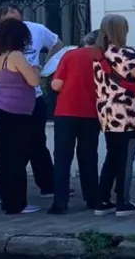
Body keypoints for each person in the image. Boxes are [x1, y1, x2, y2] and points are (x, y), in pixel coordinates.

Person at [0, 3, 63, 203]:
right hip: (13, 102)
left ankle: (46, 184)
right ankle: (6, 190)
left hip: (32, 99)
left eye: (16, 17)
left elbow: (57, 43)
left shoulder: (36, 30)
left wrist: (46, 66)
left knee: (37, 143)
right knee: (10, 150)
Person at [92, 14, 135, 217]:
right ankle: (123, 201)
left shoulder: (98, 55)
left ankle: (102, 200)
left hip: (107, 114)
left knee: (111, 157)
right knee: (126, 159)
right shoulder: (126, 54)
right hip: (126, 115)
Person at [0, 18, 42, 215]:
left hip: (1, 105)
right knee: (18, 157)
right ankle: (17, 203)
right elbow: (33, 80)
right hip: (17, 111)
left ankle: (6, 198)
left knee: (5, 155)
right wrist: (36, 69)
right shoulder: (17, 56)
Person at [48, 30, 102, 214]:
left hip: (66, 112)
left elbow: (56, 85)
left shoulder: (70, 55)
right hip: (91, 113)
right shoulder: (103, 57)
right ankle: (93, 198)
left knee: (62, 159)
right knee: (88, 157)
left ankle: (60, 203)